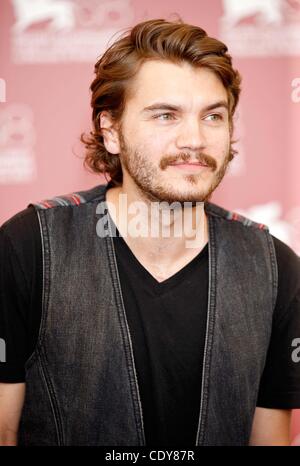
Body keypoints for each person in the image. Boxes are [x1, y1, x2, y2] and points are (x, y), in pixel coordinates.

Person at [0, 18, 300, 447]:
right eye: (166, 115)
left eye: (213, 116)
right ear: (111, 131)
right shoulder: (28, 248)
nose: (194, 139)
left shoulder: (274, 269)